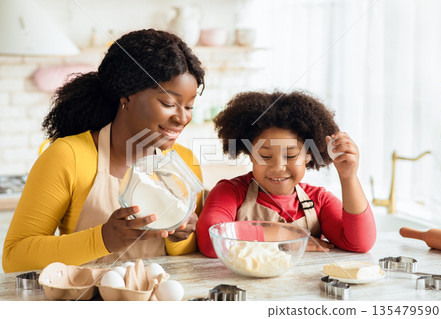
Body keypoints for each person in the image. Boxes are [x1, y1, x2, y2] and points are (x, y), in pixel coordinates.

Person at [3, 29, 206, 273]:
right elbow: (15, 257)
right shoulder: (68, 156)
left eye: (189, 106)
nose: (183, 118)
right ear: (127, 95)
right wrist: (101, 239)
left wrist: (182, 236)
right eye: (168, 104)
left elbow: (190, 259)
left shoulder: (184, 161)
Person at [196, 91, 376, 257]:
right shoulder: (230, 192)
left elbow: (359, 243)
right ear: (250, 154)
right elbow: (211, 240)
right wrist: (287, 238)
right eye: (265, 155)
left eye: (290, 155)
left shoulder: (319, 200)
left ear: (308, 155)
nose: (278, 166)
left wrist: (348, 177)